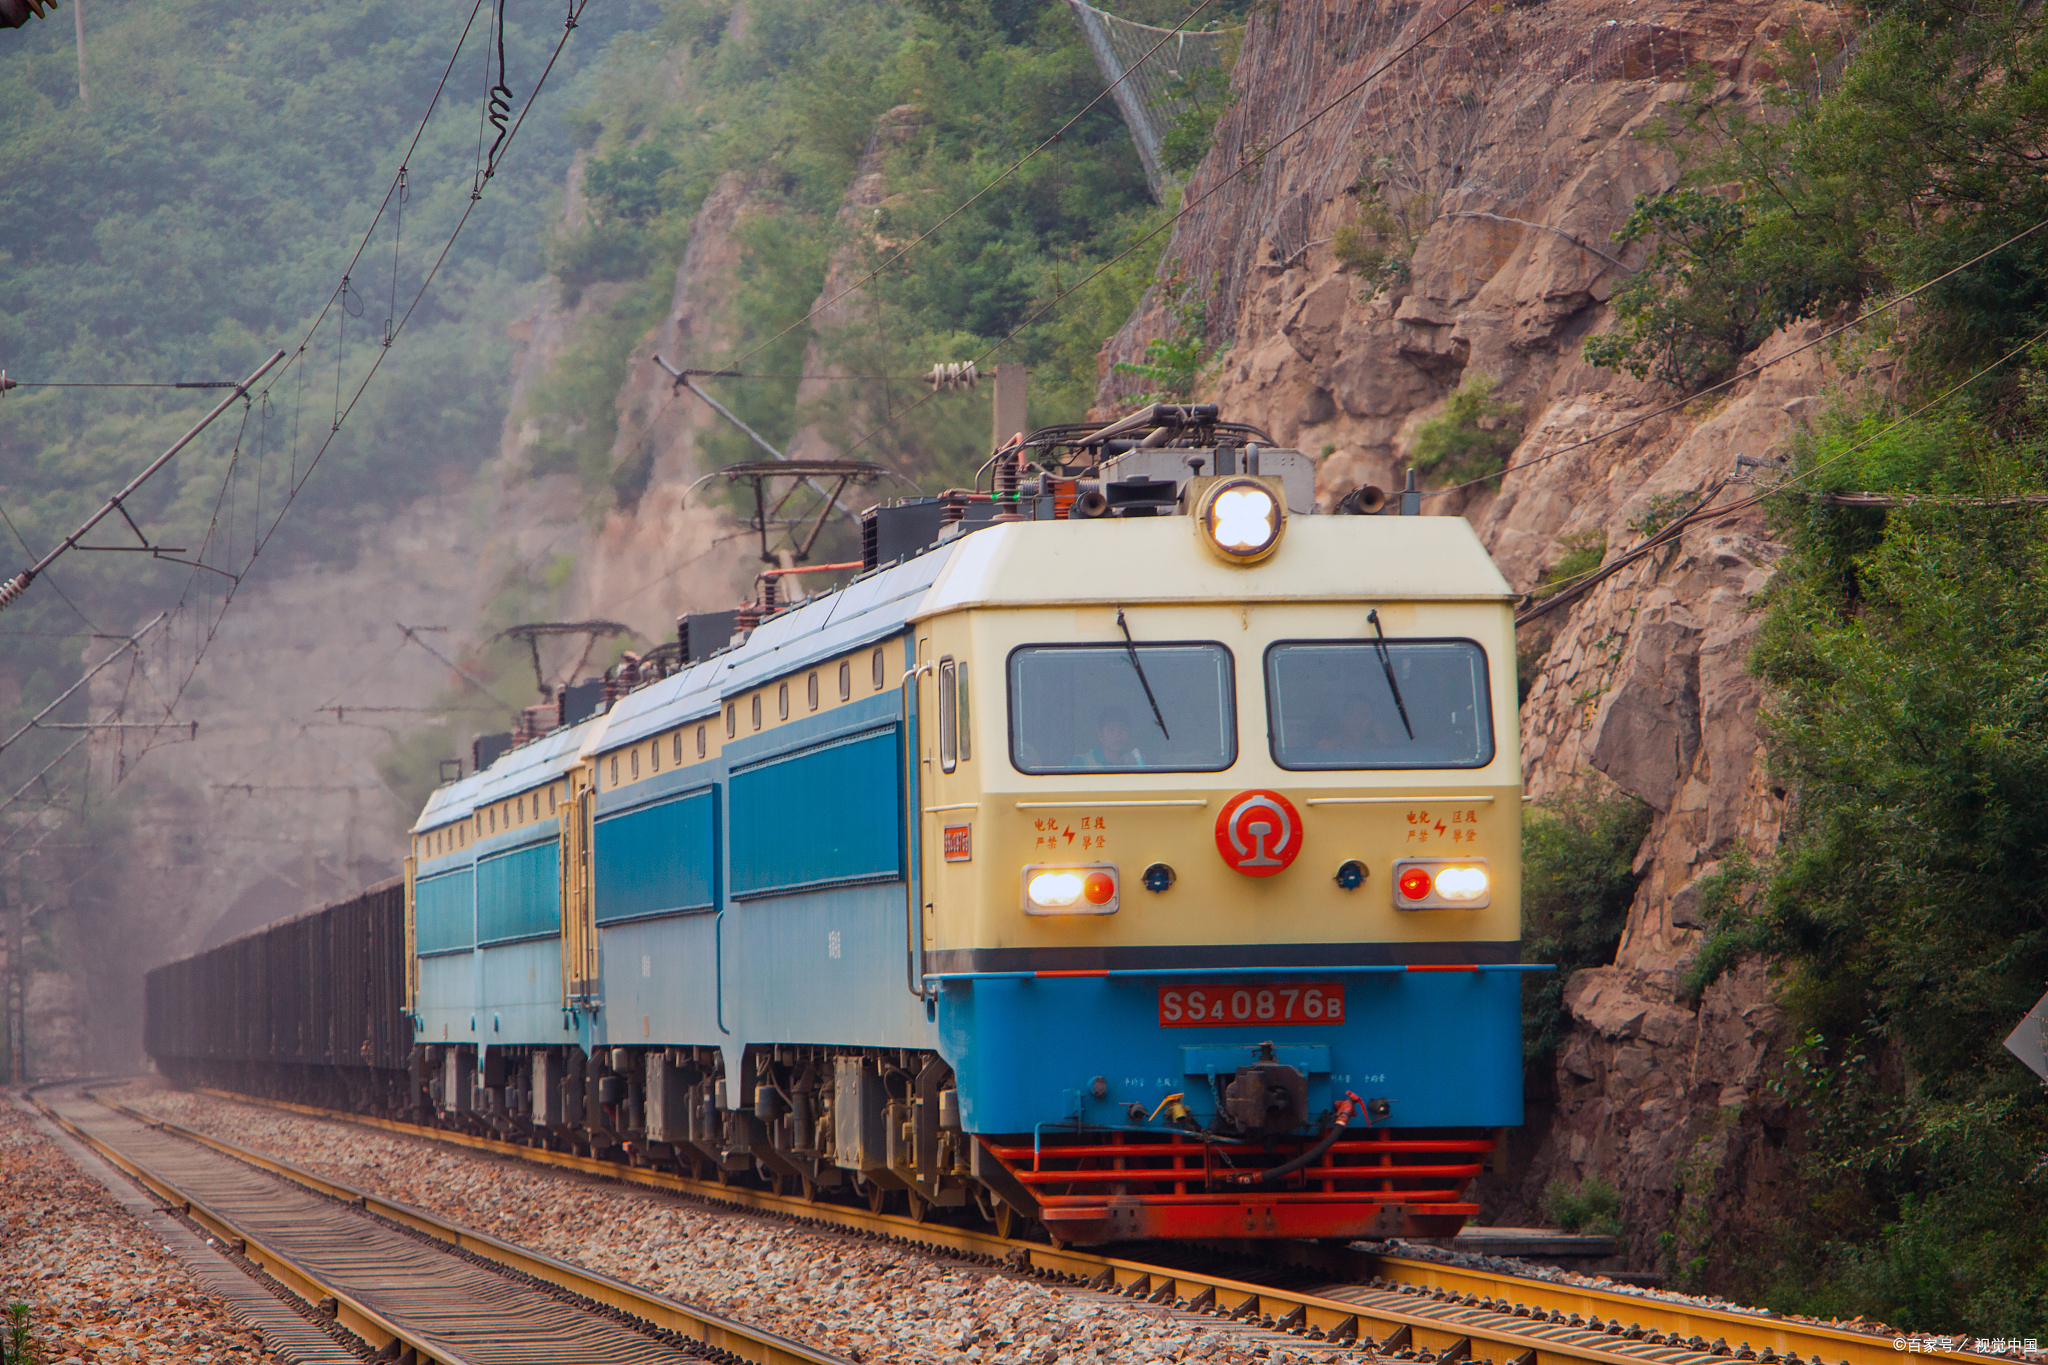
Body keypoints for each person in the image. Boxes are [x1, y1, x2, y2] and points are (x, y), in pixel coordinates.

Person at [1078, 707, 1144, 767]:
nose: (1117, 735)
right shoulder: (1081, 763)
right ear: (1100, 735)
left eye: (1123, 729)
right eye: (1111, 730)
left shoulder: (1137, 762)